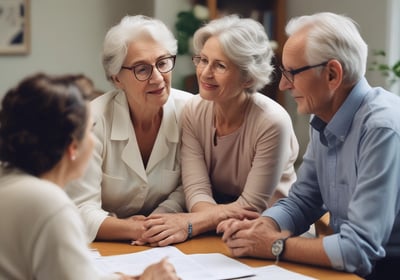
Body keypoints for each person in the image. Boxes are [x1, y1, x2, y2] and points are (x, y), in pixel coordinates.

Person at [216, 12, 400, 279]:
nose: (283, 84)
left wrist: (274, 245)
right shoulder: (325, 116)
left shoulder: (381, 129)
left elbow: (359, 249)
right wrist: (262, 226)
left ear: (332, 75)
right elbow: (304, 201)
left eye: (292, 72)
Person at [0, 73, 179, 280]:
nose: (94, 142)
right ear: (72, 147)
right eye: (90, 131)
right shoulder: (49, 204)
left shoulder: (10, 182)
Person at [139, 15, 299, 247]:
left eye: (220, 65)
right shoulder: (194, 110)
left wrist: (191, 223)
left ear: (248, 77)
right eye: (203, 60)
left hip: (271, 233)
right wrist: (208, 222)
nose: (205, 73)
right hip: (218, 232)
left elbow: (252, 206)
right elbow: (196, 189)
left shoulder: (272, 122)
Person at [65, 15, 193, 243]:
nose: (157, 78)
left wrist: (160, 220)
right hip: (106, 249)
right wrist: (135, 230)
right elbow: (80, 209)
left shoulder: (191, 112)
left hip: (167, 242)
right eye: (141, 69)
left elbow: (188, 187)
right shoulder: (91, 122)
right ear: (116, 79)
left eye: (163, 63)